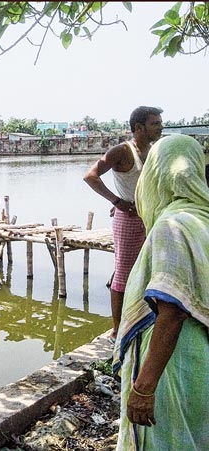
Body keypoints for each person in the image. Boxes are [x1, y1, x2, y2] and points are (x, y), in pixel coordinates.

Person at [112, 134, 209, 450]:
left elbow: (173, 309)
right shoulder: (201, 218)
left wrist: (144, 387)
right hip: (199, 357)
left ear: (156, 174)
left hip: (172, 364)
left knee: (163, 439)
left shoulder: (173, 226)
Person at [83, 106, 163, 339]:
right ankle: (117, 329)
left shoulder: (155, 150)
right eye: (155, 123)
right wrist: (116, 200)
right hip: (128, 219)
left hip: (150, 217)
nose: (160, 127)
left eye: (160, 123)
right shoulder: (122, 151)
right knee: (123, 274)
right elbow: (91, 176)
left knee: (149, 270)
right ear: (139, 127)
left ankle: (142, 317)